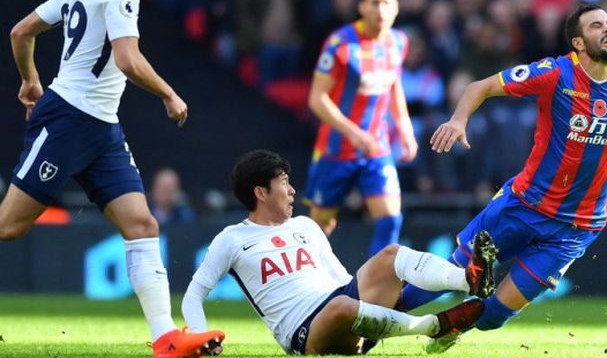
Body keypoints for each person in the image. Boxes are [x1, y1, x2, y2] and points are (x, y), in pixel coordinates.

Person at [402, 3, 607, 353]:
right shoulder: (555, 73)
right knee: (450, 274)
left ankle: (448, 325)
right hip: (524, 205)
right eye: (596, 26)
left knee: (495, 315)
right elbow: (479, 86)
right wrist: (458, 121)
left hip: (576, 228)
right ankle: (375, 317)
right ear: (577, 42)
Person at [0, 0, 224, 357]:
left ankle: (166, 340)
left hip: (102, 126)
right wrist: (169, 94)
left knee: (142, 224)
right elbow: (127, 59)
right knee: (8, 226)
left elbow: (22, 32)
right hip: (68, 118)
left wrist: (29, 79)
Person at [182, 150, 497, 356]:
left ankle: (468, 280)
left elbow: (340, 277)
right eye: (283, 183)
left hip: (344, 302)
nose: (292, 190)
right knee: (342, 306)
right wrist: (199, 338)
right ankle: (436, 326)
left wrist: (375, 307)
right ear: (261, 193)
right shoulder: (232, 239)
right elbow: (193, 294)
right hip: (305, 332)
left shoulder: (305, 225)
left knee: (390, 253)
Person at [305, 0, 418, 257]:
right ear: (362, 7)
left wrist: (404, 128)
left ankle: (373, 290)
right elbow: (316, 99)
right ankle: (309, 288)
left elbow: (394, 84)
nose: (380, 10)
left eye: (386, 3)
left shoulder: (399, 43)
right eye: (375, 2)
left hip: (375, 146)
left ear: (396, 9)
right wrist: (353, 132)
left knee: (391, 218)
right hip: (336, 149)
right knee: (321, 225)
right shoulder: (340, 44)